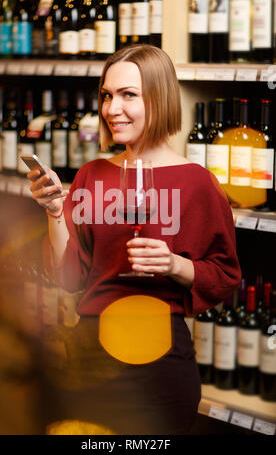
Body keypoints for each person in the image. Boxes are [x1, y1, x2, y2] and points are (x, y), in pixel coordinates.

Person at [28, 44, 242, 435]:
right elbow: (69, 278)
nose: (112, 109)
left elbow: (225, 275)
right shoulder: (91, 175)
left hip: (159, 361)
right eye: (107, 96)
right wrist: (55, 212)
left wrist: (175, 264)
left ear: (158, 99)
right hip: (88, 355)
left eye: (128, 95)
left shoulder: (198, 183)